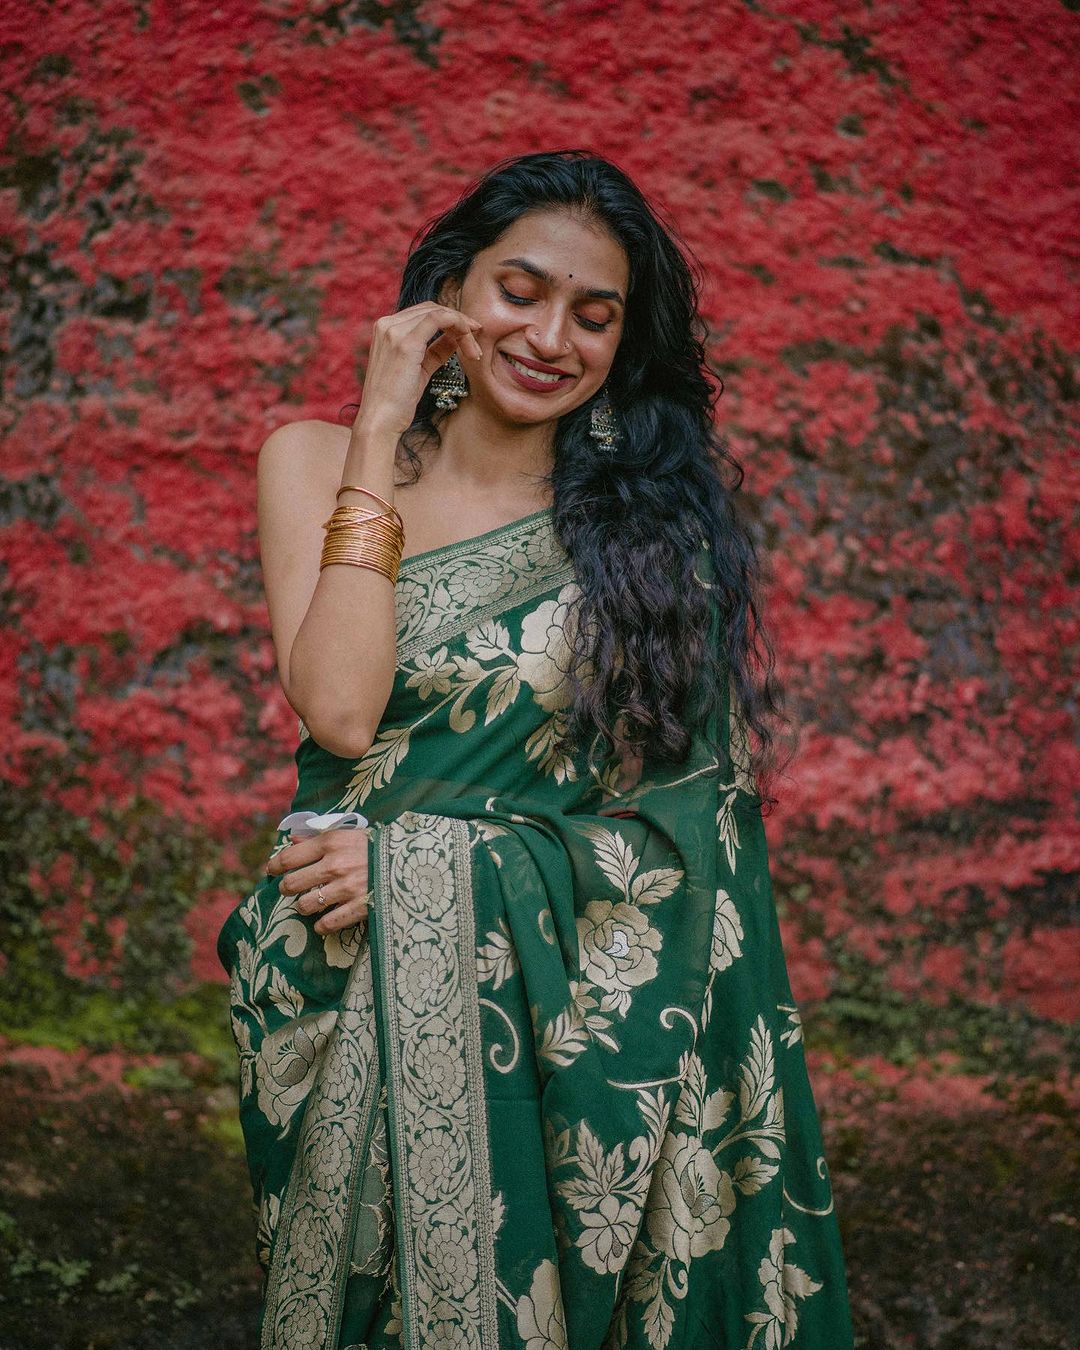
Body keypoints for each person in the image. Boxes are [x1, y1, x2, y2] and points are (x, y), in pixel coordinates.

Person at [217, 148, 854, 1349]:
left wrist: (429, 871)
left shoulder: (652, 541)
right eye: (522, 290)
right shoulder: (310, 459)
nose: (552, 335)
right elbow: (341, 715)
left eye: (594, 315)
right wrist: (378, 428)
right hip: (332, 957)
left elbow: (677, 837)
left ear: (623, 343)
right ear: (451, 286)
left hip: (537, 993)